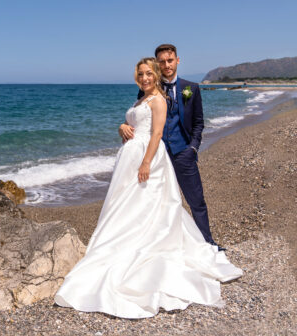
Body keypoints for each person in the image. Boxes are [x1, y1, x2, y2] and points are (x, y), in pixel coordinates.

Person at [54, 57, 242, 318]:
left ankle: (149, 249)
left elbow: (155, 134)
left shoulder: (158, 100)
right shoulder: (139, 100)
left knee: (149, 205)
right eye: (140, 74)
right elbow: (133, 124)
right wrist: (122, 126)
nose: (144, 78)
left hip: (148, 157)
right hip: (128, 158)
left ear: (156, 75)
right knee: (124, 205)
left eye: (148, 74)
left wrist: (146, 163)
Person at [118, 44, 218, 249]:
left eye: (170, 60)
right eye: (162, 62)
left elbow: (198, 122)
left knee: (196, 200)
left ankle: (208, 242)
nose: (166, 65)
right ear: (157, 64)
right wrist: (123, 126)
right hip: (158, 155)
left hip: (183, 152)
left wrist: (192, 148)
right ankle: (165, 245)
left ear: (177, 61)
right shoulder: (148, 88)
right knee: (160, 201)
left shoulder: (191, 88)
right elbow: (140, 117)